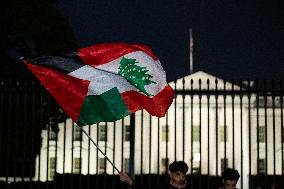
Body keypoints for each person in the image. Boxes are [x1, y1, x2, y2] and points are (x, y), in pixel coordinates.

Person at [119, 161, 190, 189]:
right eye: (177, 174)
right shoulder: (163, 187)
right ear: (171, 175)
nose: (181, 176)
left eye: (183, 174)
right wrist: (129, 180)